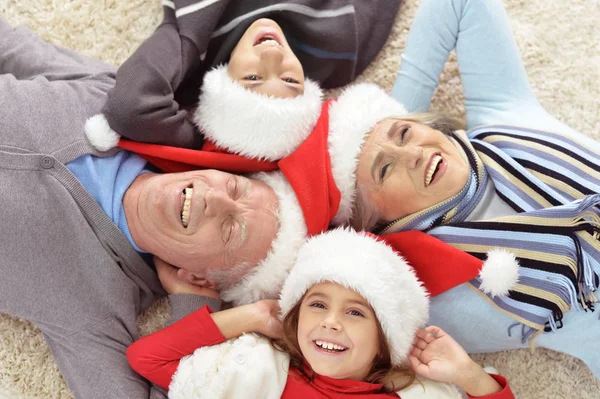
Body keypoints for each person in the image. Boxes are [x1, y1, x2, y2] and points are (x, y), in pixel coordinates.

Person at [126, 228, 514, 398]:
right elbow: (146, 357)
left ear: (385, 341)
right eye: (317, 304)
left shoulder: (415, 395)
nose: (331, 321)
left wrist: (468, 374)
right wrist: (254, 316)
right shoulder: (253, 370)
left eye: (356, 313)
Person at [91, 0, 401, 149]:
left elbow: (128, 107)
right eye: (290, 80)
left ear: (221, 83)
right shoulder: (340, 45)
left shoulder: (193, 46)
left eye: (252, 78)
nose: (272, 54)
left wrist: (206, 138)